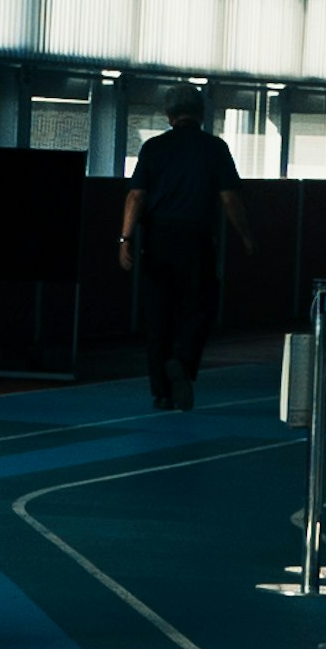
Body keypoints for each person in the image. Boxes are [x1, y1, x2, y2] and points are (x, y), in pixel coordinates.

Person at [121, 83, 241, 407]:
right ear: (202, 114)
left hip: (157, 241)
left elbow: (136, 196)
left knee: (157, 316)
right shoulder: (215, 148)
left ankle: (161, 391)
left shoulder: (153, 148)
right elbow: (229, 198)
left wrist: (125, 238)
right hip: (197, 239)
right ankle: (183, 361)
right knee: (200, 308)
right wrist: (245, 235)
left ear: (168, 114)